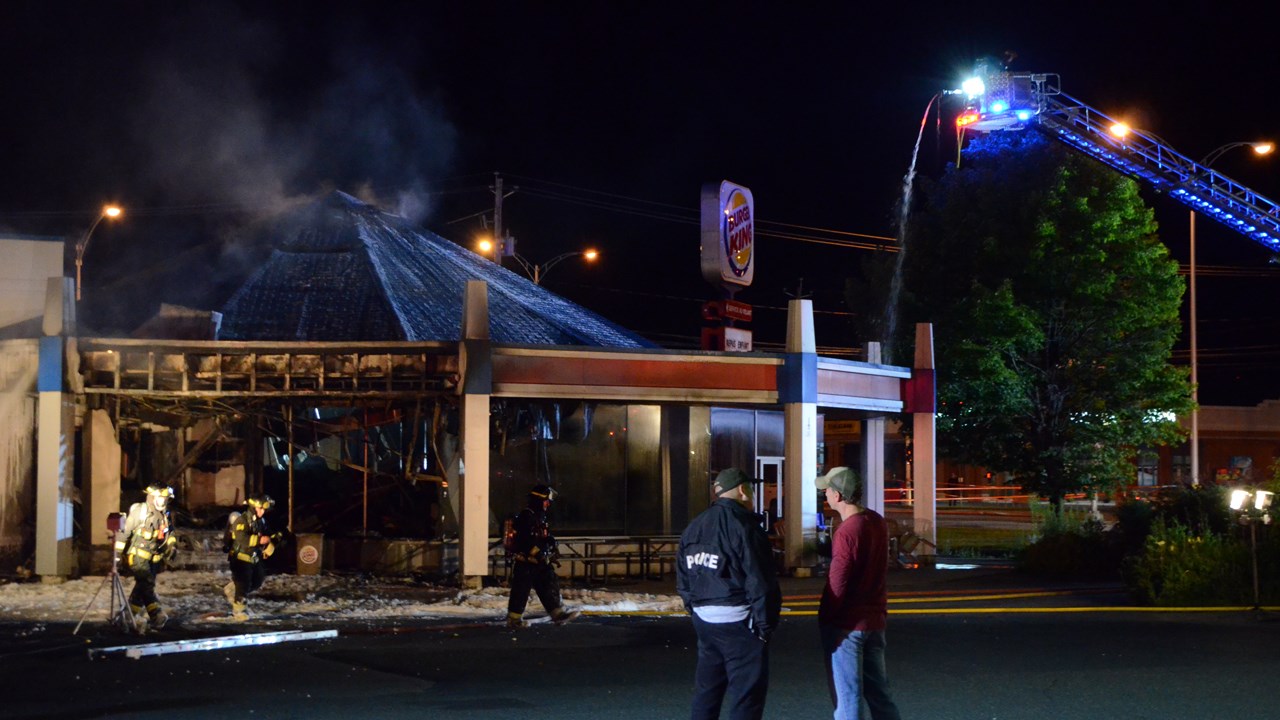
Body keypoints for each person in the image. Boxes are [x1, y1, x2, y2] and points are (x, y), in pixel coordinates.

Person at [677, 468, 782, 720]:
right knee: (746, 697)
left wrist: (693, 608)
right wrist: (764, 625)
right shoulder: (744, 527)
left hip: (705, 620)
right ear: (743, 490)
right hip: (738, 620)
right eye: (751, 488)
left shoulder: (694, 526)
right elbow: (760, 580)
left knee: (707, 692)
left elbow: (683, 575)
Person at [816, 466, 902, 720]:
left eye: (828, 490)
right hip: (875, 620)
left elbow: (838, 583)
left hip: (847, 625)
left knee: (848, 697)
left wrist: (826, 617)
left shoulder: (847, 532)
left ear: (839, 495)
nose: (825, 494)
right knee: (880, 694)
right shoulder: (876, 521)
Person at [506, 484, 579, 628]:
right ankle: (513, 620)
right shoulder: (526, 516)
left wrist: (550, 540)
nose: (548, 504)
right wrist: (536, 552)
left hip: (538, 560)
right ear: (538, 500)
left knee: (547, 584)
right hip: (526, 561)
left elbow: (541, 534)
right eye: (546, 501)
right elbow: (524, 540)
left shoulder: (539, 516)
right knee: (521, 590)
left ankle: (557, 614)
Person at [114, 484, 178, 630]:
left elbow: (171, 533)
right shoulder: (140, 512)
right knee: (147, 584)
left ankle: (127, 616)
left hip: (154, 559)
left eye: (166, 499)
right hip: (137, 556)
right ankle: (156, 615)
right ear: (153, 497)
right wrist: (117, 556)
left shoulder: (165, 515)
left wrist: (172, 546)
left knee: (141, 588)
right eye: (161, 498)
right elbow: (124, 534)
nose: (164, 502)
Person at [223, 494, 277, 621]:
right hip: (240, 559)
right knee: (243, 585)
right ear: (253, 507)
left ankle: (232, 588)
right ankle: (239, 612)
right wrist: (260, 540)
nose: (263, 512)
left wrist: (272, 541)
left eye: (264, 510)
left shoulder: (260, 521)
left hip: (253, 557)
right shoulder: (241, 521)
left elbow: (267, 533)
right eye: (261, 509)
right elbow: (242, 539)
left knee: (258, 580)